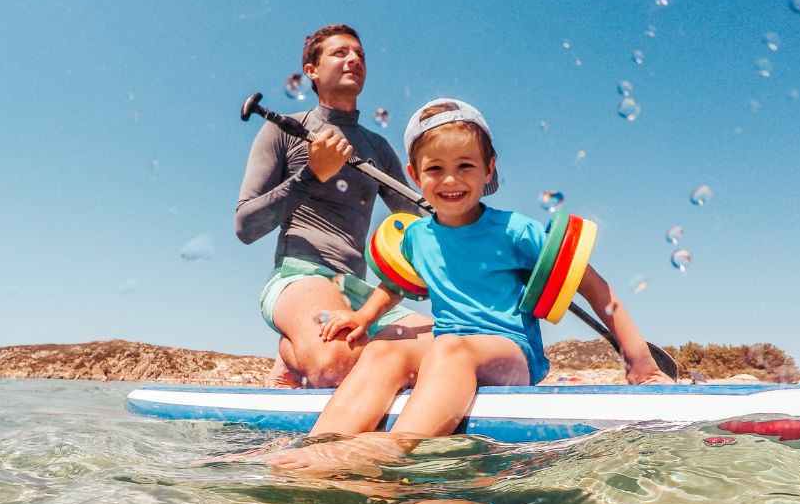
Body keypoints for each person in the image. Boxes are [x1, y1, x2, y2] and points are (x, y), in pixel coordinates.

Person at [270, 99, 671, 468]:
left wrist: (640, 362)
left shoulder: (515, 230)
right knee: (384, 351)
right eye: (435, 169)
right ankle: (318, 446)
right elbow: (396, 284)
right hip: (451, 347)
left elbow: (593, 285)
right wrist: (363, 316)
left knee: (449, 348)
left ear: (488, 168)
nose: (450, 180)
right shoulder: (417, 236)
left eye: (465, 166)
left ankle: (389, 449)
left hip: (512, 353)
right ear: (414, 174)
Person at [235, 24, 433, 389]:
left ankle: (323, 350)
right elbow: (245, 226)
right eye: (340, 53)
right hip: (299, 278)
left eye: (359, 54)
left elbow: (419, 223)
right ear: (311, 70)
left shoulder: (379, 149)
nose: (354, 59)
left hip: (361, 293)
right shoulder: (284, 129)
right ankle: (295, 349)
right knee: (338, 363)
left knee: (450, 353)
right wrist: (312, 175)